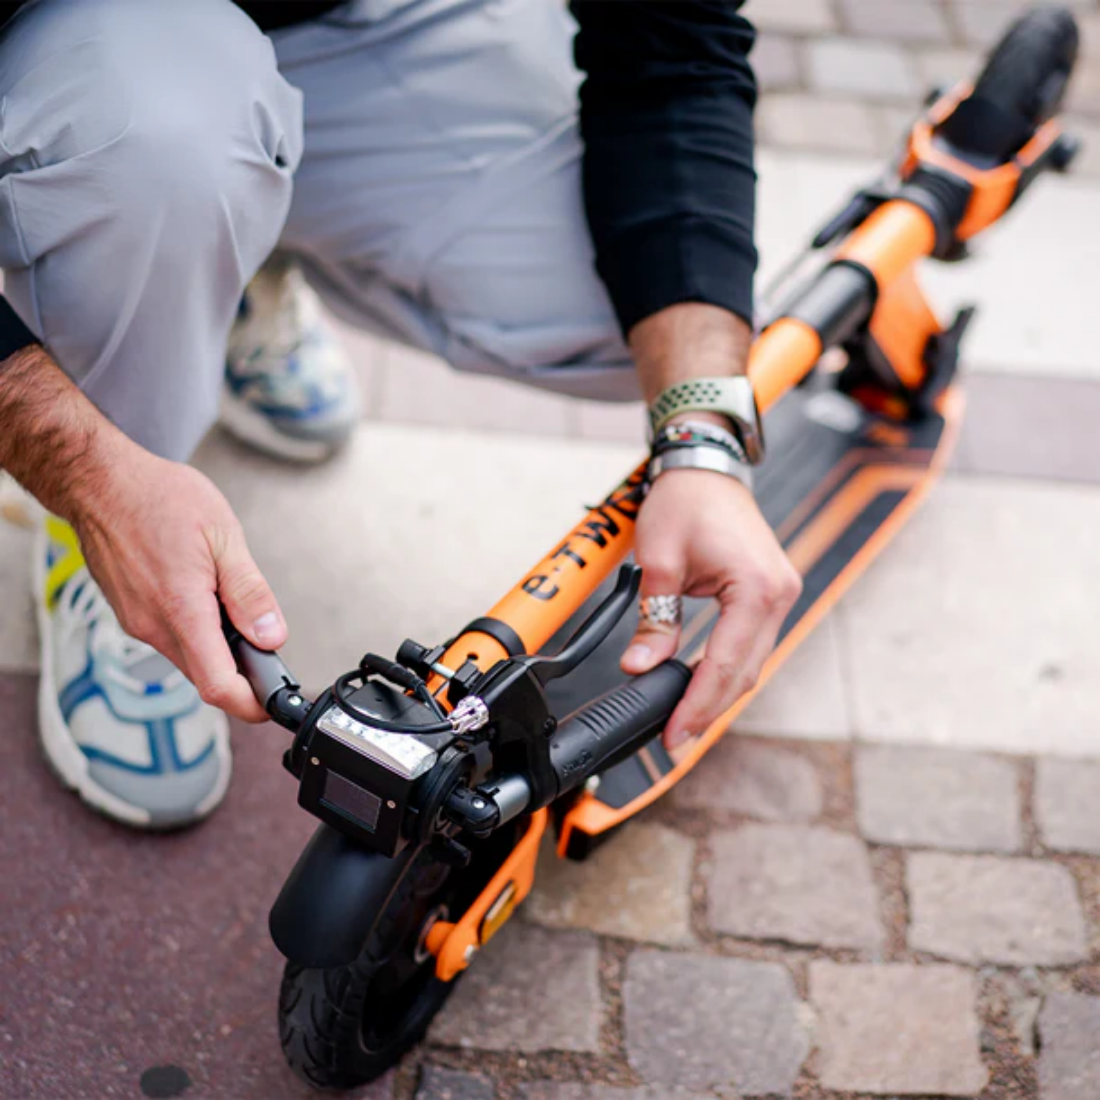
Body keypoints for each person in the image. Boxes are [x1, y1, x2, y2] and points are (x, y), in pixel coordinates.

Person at [0, 0, 801, 829]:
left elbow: (676, 51)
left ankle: (233, 268)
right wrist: (87, 471)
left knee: (658, 309)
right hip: (99, 53)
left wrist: (698, 436)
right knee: (154, 146)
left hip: (364, 23)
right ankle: (108, 507)